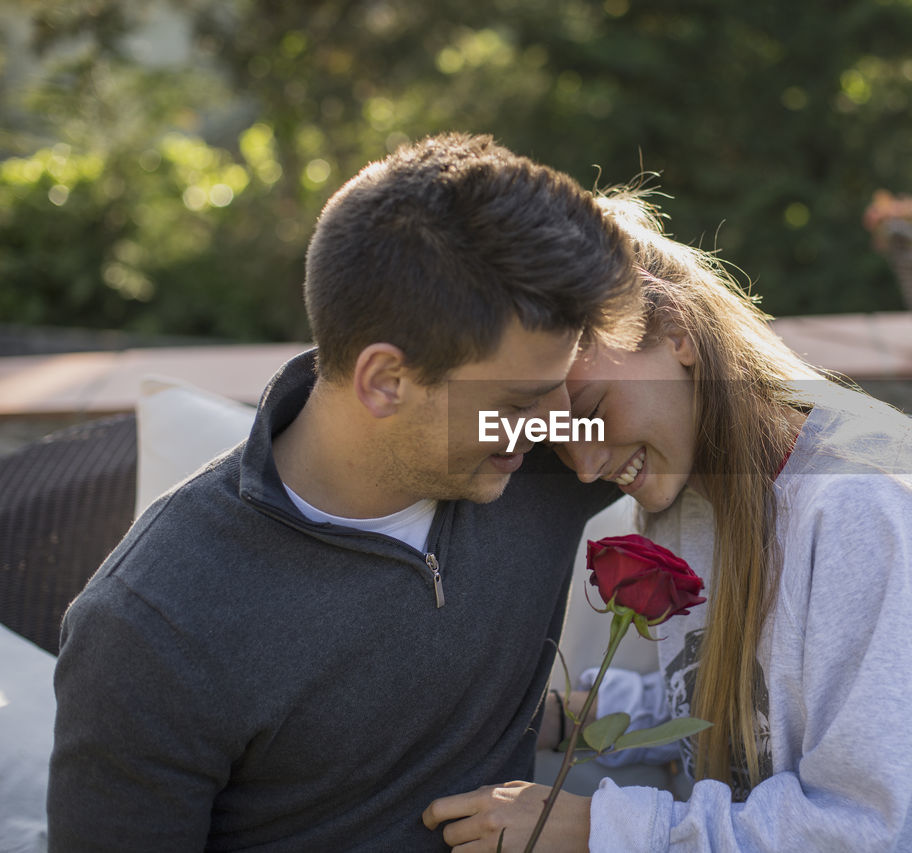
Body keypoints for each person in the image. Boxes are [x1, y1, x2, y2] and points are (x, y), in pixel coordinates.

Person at [423, 191, 912, 852]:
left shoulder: (869, 505)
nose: (585, 470)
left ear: (676, 330)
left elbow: (868, 829)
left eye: (589, 416)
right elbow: (747, 709)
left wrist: (595, 828)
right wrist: (558, 715)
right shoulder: (687, 498)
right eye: (560, 440)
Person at [47, 133, 639, 851]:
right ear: (385, 381)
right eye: (520, 402)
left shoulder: (531, 455)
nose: (560, 425)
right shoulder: (152, 627)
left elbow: (743, 401)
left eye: (563, 389)